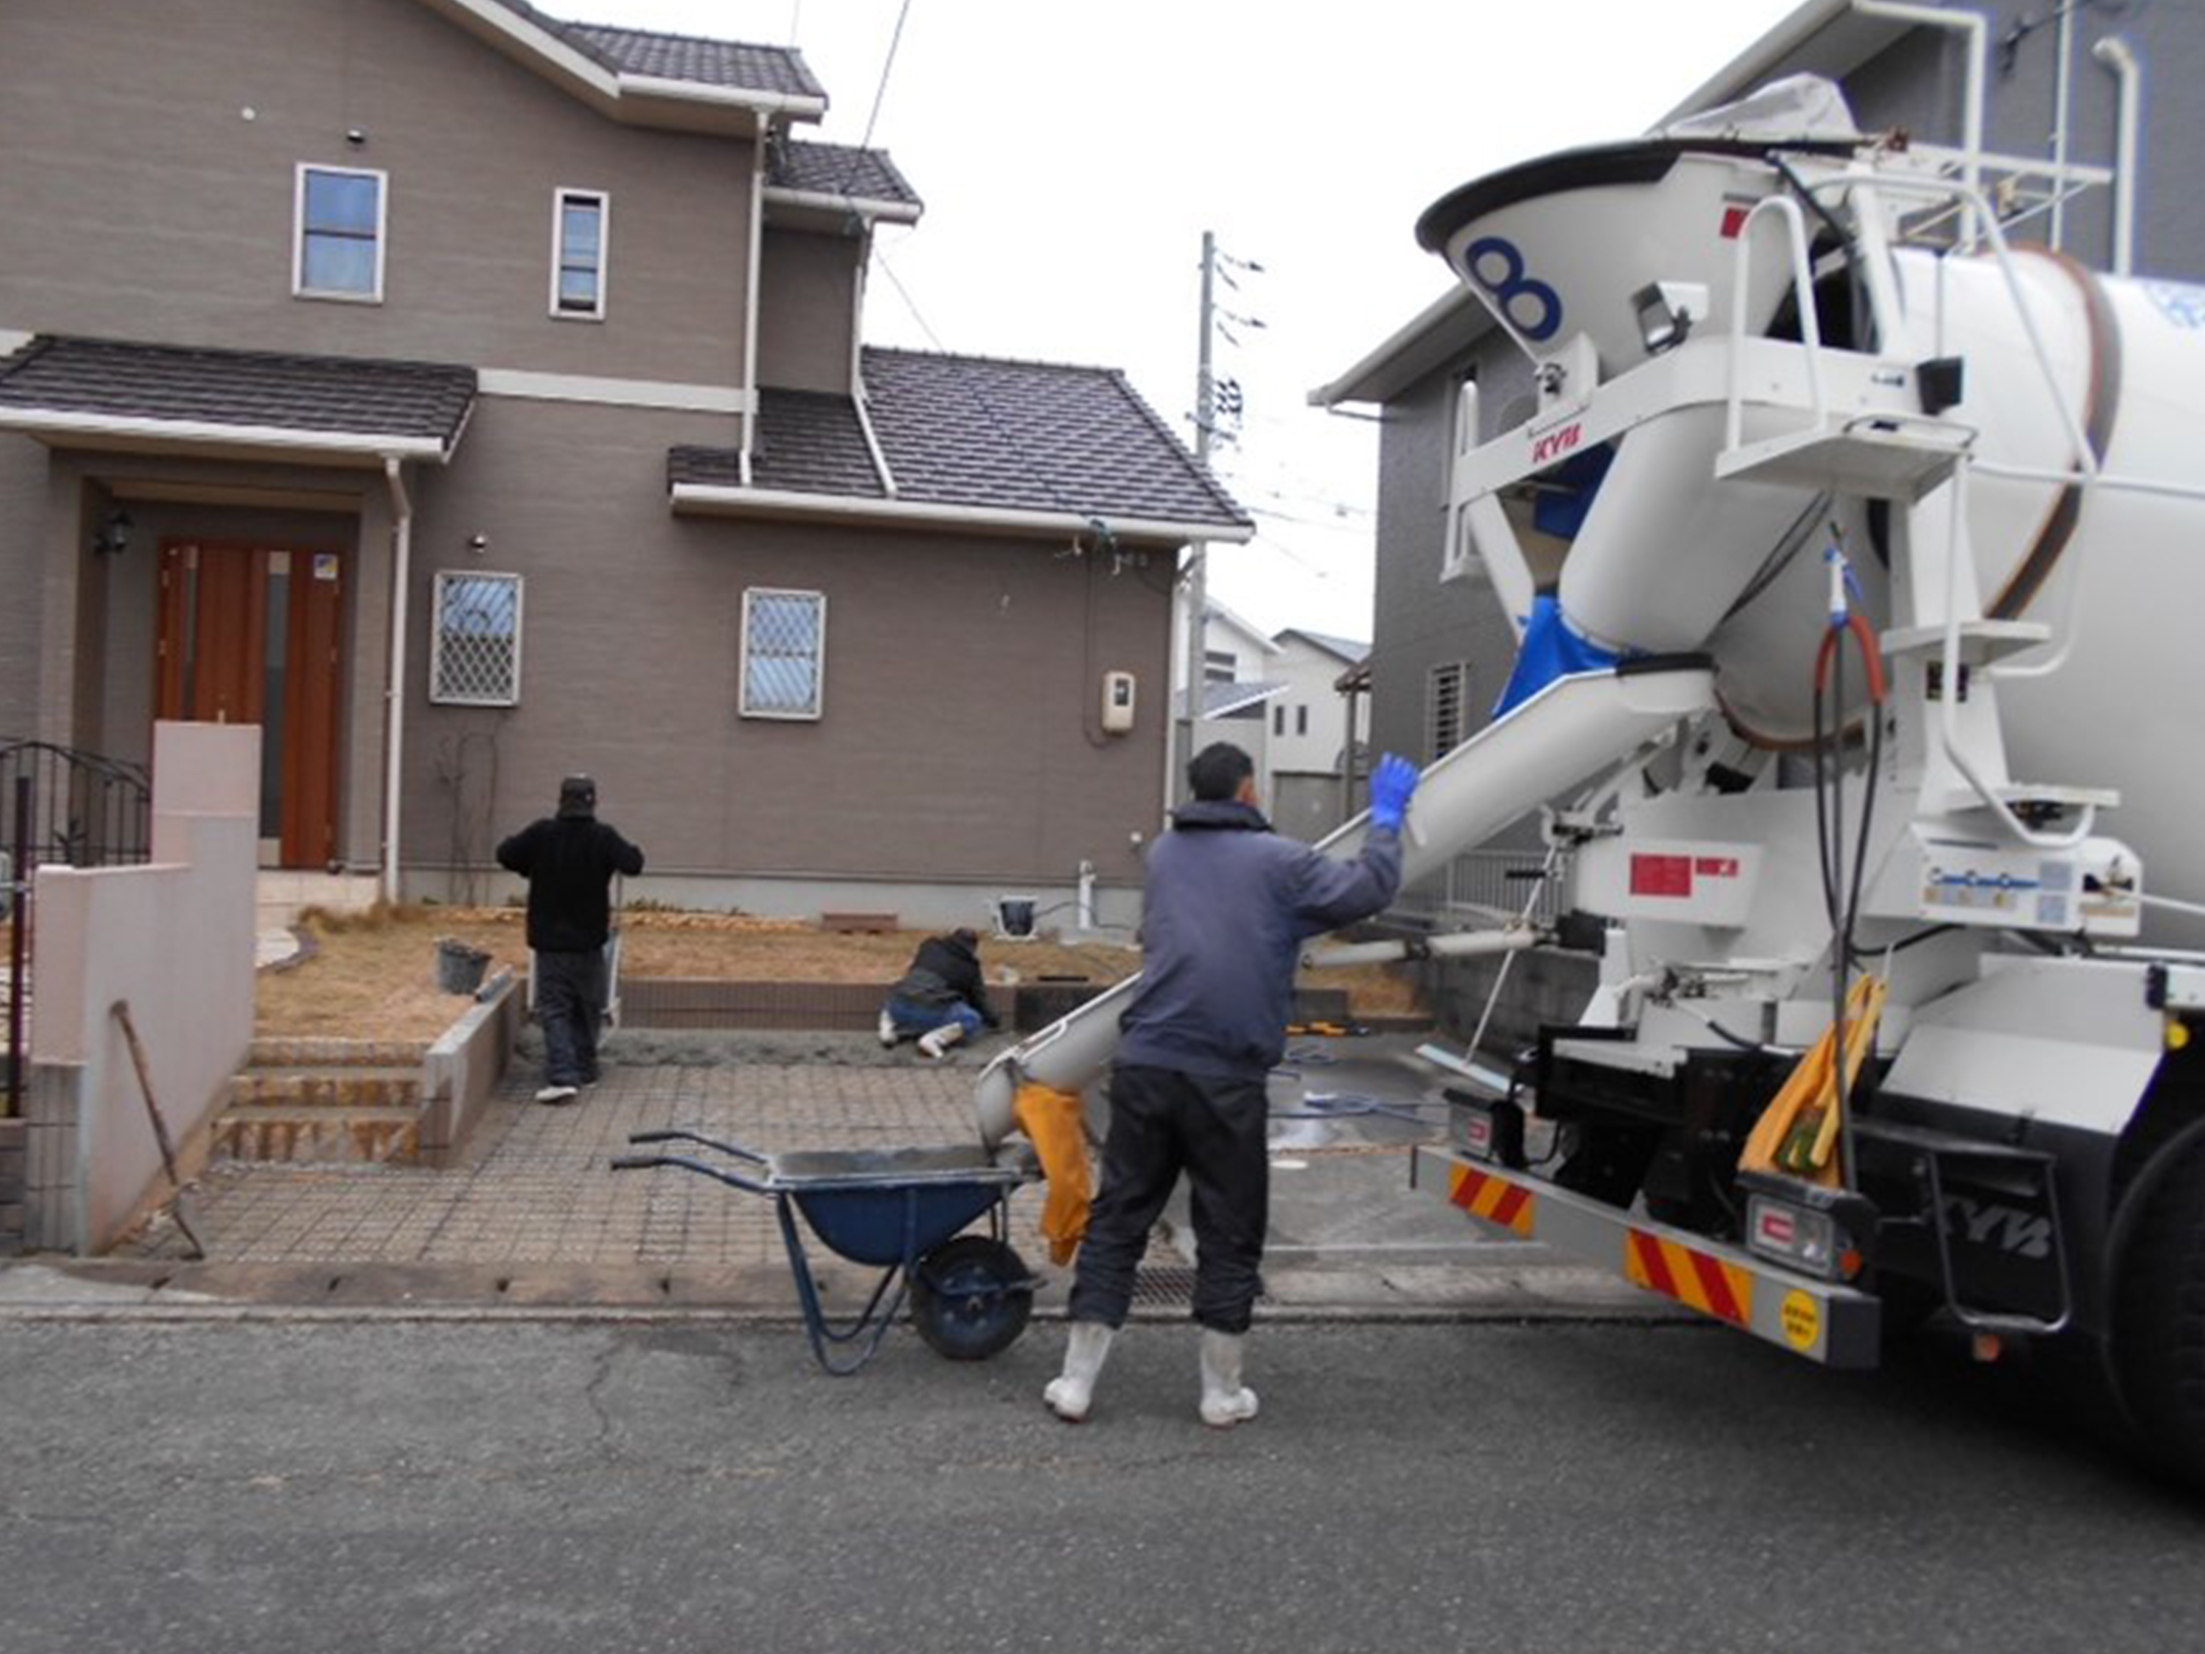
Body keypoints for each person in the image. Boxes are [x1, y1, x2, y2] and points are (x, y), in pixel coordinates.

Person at [1044, 742, 1421, 1428]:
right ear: (1248, 791)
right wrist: (1386, 820)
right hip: (1225, 1075)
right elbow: (1365, 891)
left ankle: (1074, 1383)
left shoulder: (1164, 855)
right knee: (1229, 1225)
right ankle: (1220, 1394)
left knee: (1120, 1216)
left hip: (1147, 1063)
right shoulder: (1280, 862)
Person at [496, 775, 645, 1104]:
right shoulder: (602, 836)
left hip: (550, 941)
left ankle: (563, 1075)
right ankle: (585, 1069)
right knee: (587, 1006)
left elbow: (505, 854)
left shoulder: (542, 833)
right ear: (593, 802)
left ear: (561, 800)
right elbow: (633, 863)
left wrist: (530, 867)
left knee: (555, 1008)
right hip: (590, 941)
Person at [879, 927, 1002, 1060]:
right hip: (930, 1013)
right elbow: (979, 1000)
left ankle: (889, 1028)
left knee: (902, 994)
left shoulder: (929, 945)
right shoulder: (970, 966)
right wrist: (994, 1021)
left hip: (898, 1007)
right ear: (973, 948)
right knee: (971, 1019)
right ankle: (933, 1040)